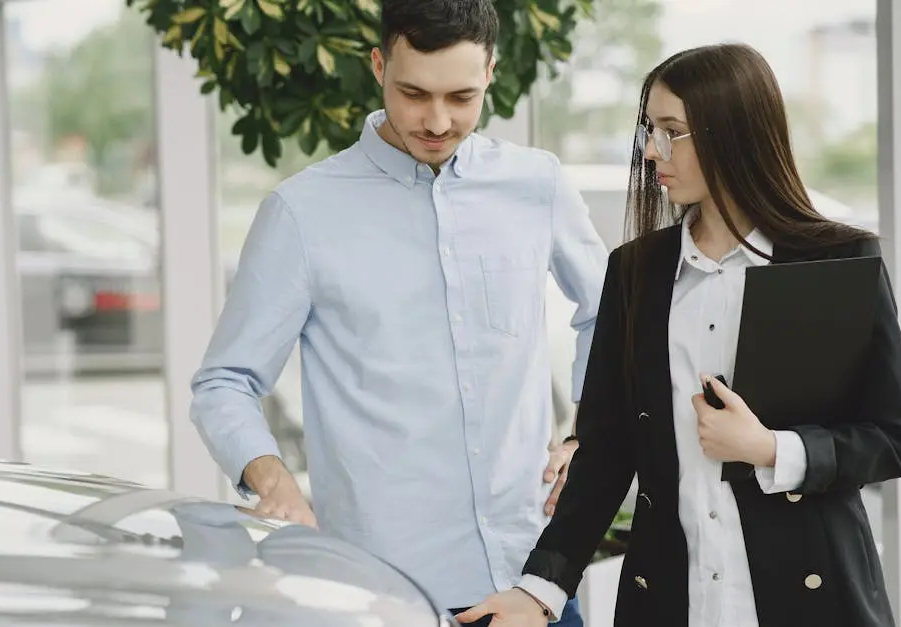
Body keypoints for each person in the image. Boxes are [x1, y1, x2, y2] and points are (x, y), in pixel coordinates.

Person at [456, 43, 901, 627]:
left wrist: (771, 449)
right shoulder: (636, 271)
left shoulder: (837, 258)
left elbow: (892, 439)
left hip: (810, 600)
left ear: (734, 132)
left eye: (673, 131)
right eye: (652, 129)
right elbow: (605, 450)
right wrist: (540, 589)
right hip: (673, 602)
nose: (653, 151)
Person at [189, 0, 607, 624]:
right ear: (379, 66)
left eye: (461, 97)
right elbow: (225, 381)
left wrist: (587, 433)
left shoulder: (537, 185)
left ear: (491, 72)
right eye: (414, 93)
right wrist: (270, 475)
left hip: (533, 586)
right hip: (382, 595)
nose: (437, 120)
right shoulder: (302, 214)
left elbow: (608, 313)